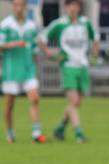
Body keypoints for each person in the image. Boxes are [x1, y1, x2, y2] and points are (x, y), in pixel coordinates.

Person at [38, 0, 100, 143]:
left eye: (75, 6)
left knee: (76, 103)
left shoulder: (85, 23)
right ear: (65, 7)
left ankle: (60, 128)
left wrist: (94, 54)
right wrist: (49, 53)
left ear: (79, 8)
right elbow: (42, 38)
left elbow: (96, 38)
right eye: (69, 5)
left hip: (83, 65)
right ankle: (79, 134)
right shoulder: (60, 24)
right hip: (68, 66)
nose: (72, 9)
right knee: (74, 101)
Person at [0, 0, 49, 143]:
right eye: (16, 5)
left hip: (28, 69)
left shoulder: (31, 26)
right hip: (12, 70)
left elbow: (34, 48)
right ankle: (10, 133)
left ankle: (36, 133)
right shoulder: (6, 25)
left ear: (25, 7)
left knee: (34, 98)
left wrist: (35, 65)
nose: (19, 8)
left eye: (21, 5)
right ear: (13, 7)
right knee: (10, 104)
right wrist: (16, 43)